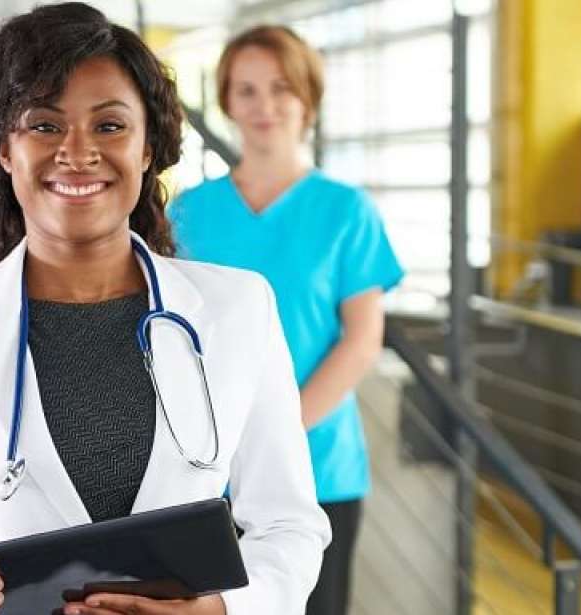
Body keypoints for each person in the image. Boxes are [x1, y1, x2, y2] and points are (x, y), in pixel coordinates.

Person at [0, 4, 330, 615]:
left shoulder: (238, 309)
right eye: (45, 126)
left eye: (109, 126)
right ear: (4, 149)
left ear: (148, 147)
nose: (77, 153)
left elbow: (290, 526)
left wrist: (218, 611)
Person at [168, 25, 404, 615]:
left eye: (280, 88)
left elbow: (362, 337)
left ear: (308, 98)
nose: (264, 106)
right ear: (226, 101)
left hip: (319, 469)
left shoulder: (346, 210)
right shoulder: (188, 213)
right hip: (205, 477)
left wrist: (278, 435)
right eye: (246, 90)